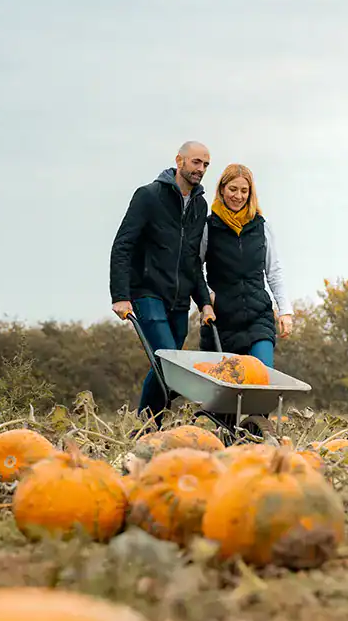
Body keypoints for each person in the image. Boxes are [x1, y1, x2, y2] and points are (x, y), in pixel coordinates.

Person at [109, 141, 216, 425]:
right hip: (147, 293)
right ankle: (148, 426)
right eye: (196, 162)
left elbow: (193, 261)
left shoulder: (200, 204)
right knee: (168, 362)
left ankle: (147, 426)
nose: (201, 169)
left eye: (205, 164)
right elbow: (123, 245)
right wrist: (120, 295)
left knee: (166, 367)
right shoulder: (149, 196)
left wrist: (204, 302)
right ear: (179, 161)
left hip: (179, 300)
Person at [198, 163, 293, 370]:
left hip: (258, 317)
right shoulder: (208, 227)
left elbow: (274, 272)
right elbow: (193, 268)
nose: (238, 196)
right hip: (221, 319)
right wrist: (207, 297)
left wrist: (285, 311)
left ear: (250, 193)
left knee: (260, 376)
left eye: (244, 191)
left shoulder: (261, 227)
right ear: (222, 189)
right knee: (224, 386)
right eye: (233, 189)